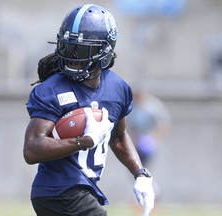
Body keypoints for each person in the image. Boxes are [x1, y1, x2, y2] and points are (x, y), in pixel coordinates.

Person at [23, 4, 155, 216]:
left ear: (104, 51)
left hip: (83, 190)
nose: (74, 57)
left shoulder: (117, 88)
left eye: (83, 49)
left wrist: (140, 173)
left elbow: (119, 138)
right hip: (58, 191)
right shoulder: (52, 89)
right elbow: (31, 149)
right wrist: (82, 142)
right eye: (69, 47)